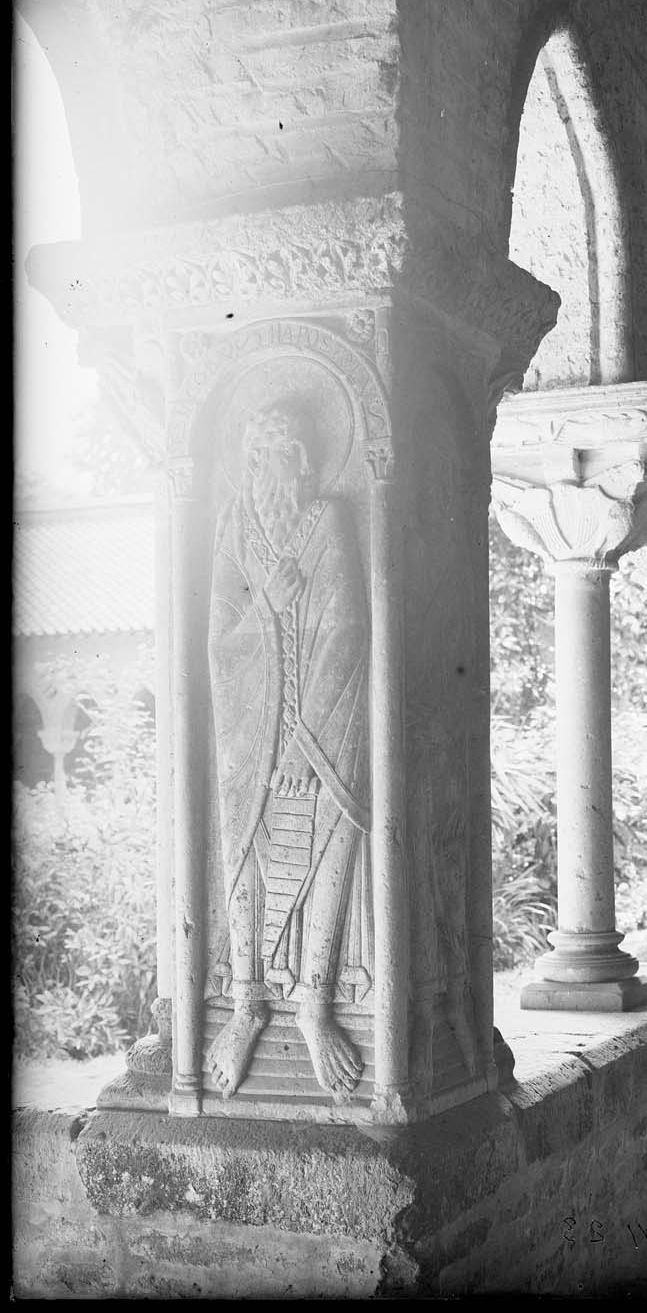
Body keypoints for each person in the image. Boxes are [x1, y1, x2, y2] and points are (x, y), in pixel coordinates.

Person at [206, 400, 370, 1100]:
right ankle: (245, 1002)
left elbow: (347, 629)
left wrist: (310, 742)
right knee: (242, 839)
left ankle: (315, 1004)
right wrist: (266, 606)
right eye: (285, 454)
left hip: (323, 729)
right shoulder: (236, 529)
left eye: (304, 453)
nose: (299, 467)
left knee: (339, 825)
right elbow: (220, 639)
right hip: (252, 732)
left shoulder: (327, 522)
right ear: (256, 462)